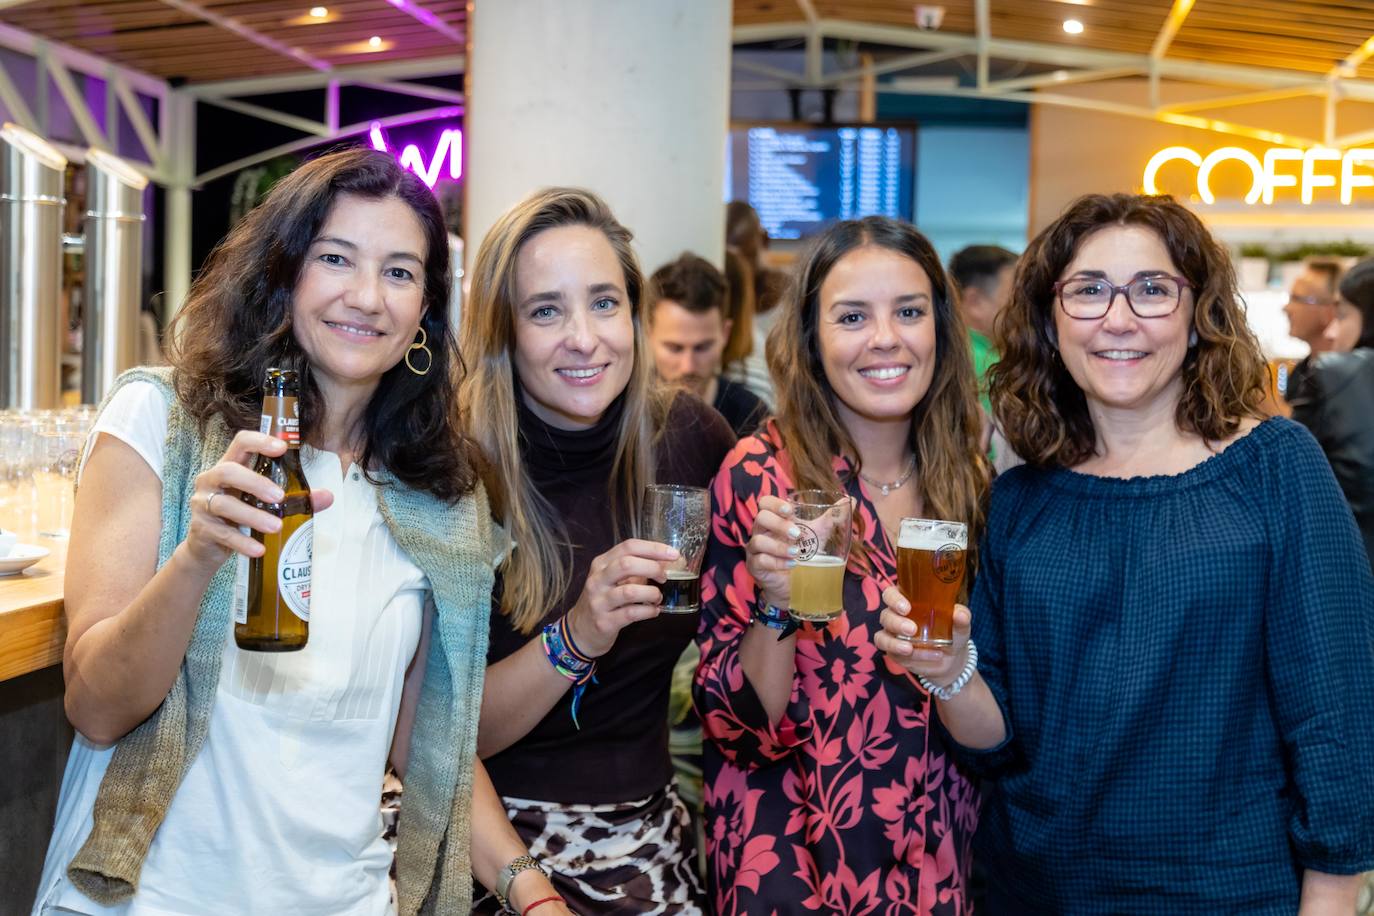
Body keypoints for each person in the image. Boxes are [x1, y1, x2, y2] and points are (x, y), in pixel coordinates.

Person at [32, 149, 569, 916]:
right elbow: (95, 704)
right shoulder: (164, 426)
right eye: (335, 258)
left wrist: (532, 891)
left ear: (424, 310)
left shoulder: (436, 496)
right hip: (147, 897)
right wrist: (197, 558)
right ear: (284, 275)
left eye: (399, 272)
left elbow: (429, 743)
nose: (366, 297)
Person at [877, 193, 1374, 912]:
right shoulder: (1021, 499)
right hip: (1036, 892)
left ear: (1197, 314)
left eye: (1151, 290)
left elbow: (1335, 717)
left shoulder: (1276, 469)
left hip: (1230, 894)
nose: (1118, 319)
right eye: (1087, 291)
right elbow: (996, 743)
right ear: (1051, 320)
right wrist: (951, 670)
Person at [695, 215, 989, 914]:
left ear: (941, 331)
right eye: (852, 316)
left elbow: (994, 724)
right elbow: (738, 727)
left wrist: (955, 667)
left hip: (939, 867)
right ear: (811, 338)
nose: (885, 338)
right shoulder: (763, 476)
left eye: (909, 312)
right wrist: (776, 601)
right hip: (797, 870)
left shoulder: (970, 482)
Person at [459, 187, 735, 914]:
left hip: (642, 834)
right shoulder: (455, 466)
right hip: (481, 840)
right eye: (546, 310)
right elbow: (443, 731)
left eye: (605, 303)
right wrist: (578, 633)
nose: (585, 337)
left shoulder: (690, 438)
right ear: (504, 330)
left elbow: (755, 659)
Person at [1290, 256, 1374, 571]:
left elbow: (1288, 482)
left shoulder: (1333, 374)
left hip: (1347, 573)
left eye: (1343, 315)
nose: (1334, 331)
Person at [646, 252, 769, 438]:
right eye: (674, 348)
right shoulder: (622, 412)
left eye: (702, 348)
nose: (688, 366)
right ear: (648, 333)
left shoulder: (751, 416)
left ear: (725, 334)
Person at [948, 244, 1018, 418]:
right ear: (975, 302)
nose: (1025, 310)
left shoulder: (944, 349)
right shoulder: (991, 369)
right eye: (1015, 299)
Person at [1283, 256, 1343, 399]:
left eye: (1296, 299)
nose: (1286, 308)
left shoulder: (1346, 381)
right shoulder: (1302, 371)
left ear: (1331, 309)